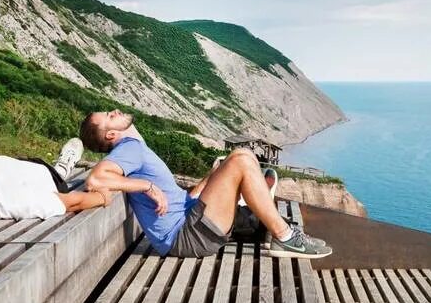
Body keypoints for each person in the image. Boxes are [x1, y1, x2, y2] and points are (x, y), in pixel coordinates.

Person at [79, 109, 332, 259]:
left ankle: (255, 214)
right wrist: (148, 187)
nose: (113, 111)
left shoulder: (134, 146)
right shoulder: (128, 150)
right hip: (187, 237)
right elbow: (96, 178)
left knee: (235, 160)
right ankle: (284, 236)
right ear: (111, 135)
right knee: (241, 159)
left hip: (189, 219)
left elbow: (175, 200)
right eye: (108, 117)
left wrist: (205, 183)